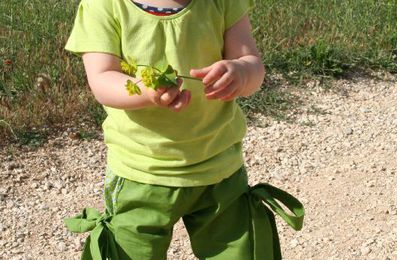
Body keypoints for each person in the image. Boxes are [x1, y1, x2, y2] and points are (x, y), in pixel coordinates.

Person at [63, 0, 305, 259]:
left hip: (220, 166)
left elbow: (253, 64)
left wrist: (241, 72)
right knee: (129, 252)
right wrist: (145, 91)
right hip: (142, 171)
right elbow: (101, 79)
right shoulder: (105, 5)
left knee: (240, 253)